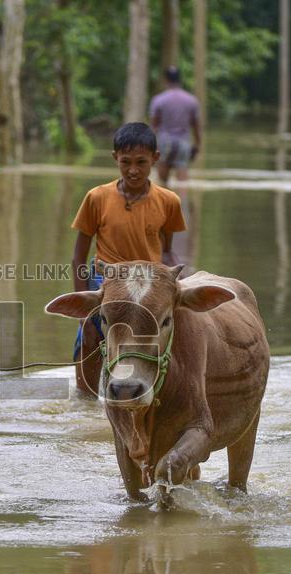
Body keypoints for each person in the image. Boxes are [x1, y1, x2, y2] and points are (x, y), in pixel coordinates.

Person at [69, 122, 187, 397]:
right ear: (115, 159)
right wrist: (83, 312)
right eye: (126, 162)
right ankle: (85, 396)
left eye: (141, 162)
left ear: (155, 159)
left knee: (174, 335)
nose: (133, 170)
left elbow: (167, 251)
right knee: (88, 338)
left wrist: (177, 281)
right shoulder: (97, 198)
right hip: (107, 279)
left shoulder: (168, 201)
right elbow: (78, 257)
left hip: (149, 283)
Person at [148, 66, 201, 184]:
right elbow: (196, 126)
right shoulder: (191, 100)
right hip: (183, 143)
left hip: (164, 142)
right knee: (182, 184)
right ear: (180, 80)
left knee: (162, 183)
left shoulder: (158, 100)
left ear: (166, 80)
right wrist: (197, 145)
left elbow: (154, 126)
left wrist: (150, 147)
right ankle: (183, 202)